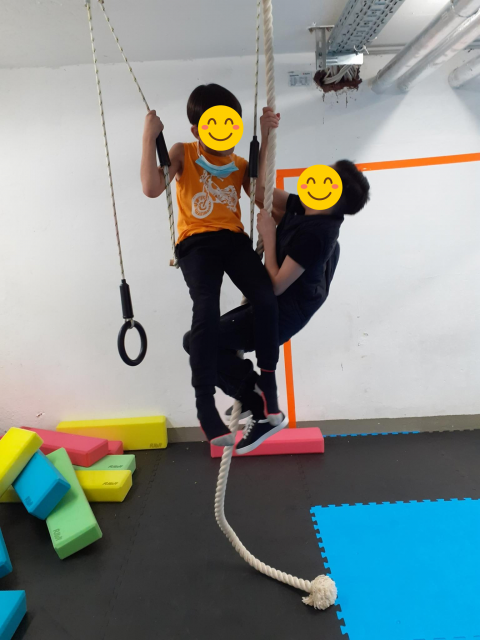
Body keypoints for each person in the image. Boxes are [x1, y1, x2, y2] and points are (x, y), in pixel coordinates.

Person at [184, 108, 371, 454]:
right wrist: (266, 134)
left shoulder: (319, 234)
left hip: (284, 309)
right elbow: (259, 191)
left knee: (199, 343)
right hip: (272, 301)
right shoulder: (304, 206)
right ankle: (251, 395)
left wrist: (269, 238)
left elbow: (276, 285)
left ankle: (265, 411)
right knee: (202, 341)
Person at [141, 85, 287, 448]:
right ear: (197, 130)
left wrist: (265, 136)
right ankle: (205, 405)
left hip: (233, 240)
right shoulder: (184, 152)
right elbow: (152, 187)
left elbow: (260, 194)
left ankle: (267, 385)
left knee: (266, 298)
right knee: (205, 309)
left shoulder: (239, 163)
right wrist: (149, 137)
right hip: (196, 243)